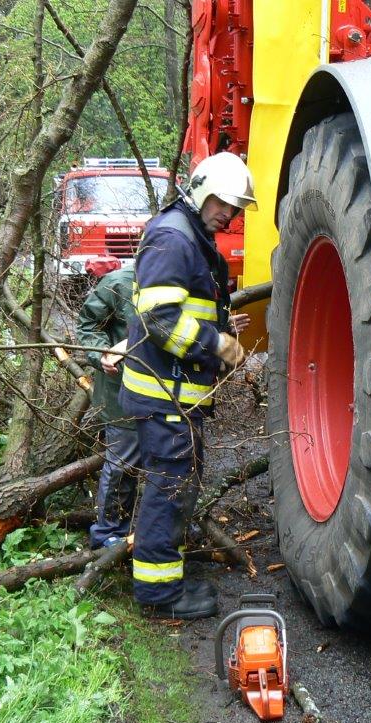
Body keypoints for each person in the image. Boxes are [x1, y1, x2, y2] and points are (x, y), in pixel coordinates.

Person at [119, 151, 255, 620]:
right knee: (170, 489)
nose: (230, 214)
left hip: (173, 396)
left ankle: (165, 573)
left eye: (236, 209)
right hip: (164, 396)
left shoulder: (189, 237)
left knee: (176, 485)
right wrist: (215, 344)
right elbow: (159, 318)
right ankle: (159, 594)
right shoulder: (173, 238)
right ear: (201, 190)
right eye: (224, 203)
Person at [76, 261, 139, 550]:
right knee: (122, 465)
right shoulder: (119, 283)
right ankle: (108, 535)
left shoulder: (187, 279)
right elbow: (88, 325)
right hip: (121, 392)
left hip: (169, 395)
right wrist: (100, 353)